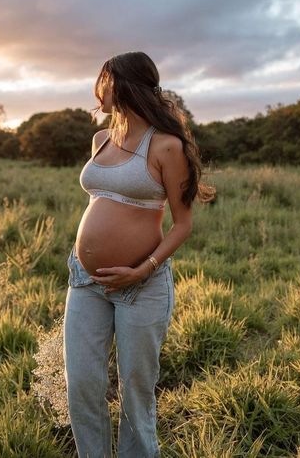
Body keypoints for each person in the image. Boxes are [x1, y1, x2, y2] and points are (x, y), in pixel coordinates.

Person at [63, 51, 216, 458]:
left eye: (105, 83)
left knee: (136, 393)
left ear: (124, 86)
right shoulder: (101, 139)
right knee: (81, 384)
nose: (99, 92)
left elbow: (182, 224)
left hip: (142, 285)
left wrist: (142, 269)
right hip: (86, 280)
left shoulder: (166, 147)